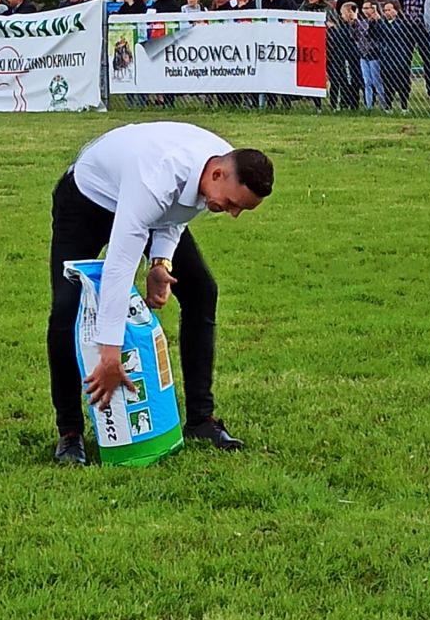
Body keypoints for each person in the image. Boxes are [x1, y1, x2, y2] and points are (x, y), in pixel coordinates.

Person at [48, 122, 274, 464]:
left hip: (145, 202)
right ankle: (69, 433)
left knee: (201, 291)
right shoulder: (158, 177)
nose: (233, 213)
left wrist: (160, 263)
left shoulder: (219, 169)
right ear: (217, 174)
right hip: (87, 200)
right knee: (68, 307)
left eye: (240, 208)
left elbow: (178, 213)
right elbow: (119, 266)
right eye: (231, 203)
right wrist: (110, 353)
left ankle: (201, 420)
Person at [379, 0, 412, 113]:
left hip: (399, 59)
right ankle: (388, 106)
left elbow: (392, 33)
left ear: (396, 11)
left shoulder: (402, 24)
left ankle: (404, 106)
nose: (386, 12)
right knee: (387, 84)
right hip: (386, 59)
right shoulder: (381, 23)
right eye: (385, 10)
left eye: (389, 10)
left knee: (402, 84)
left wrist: (380, 22)